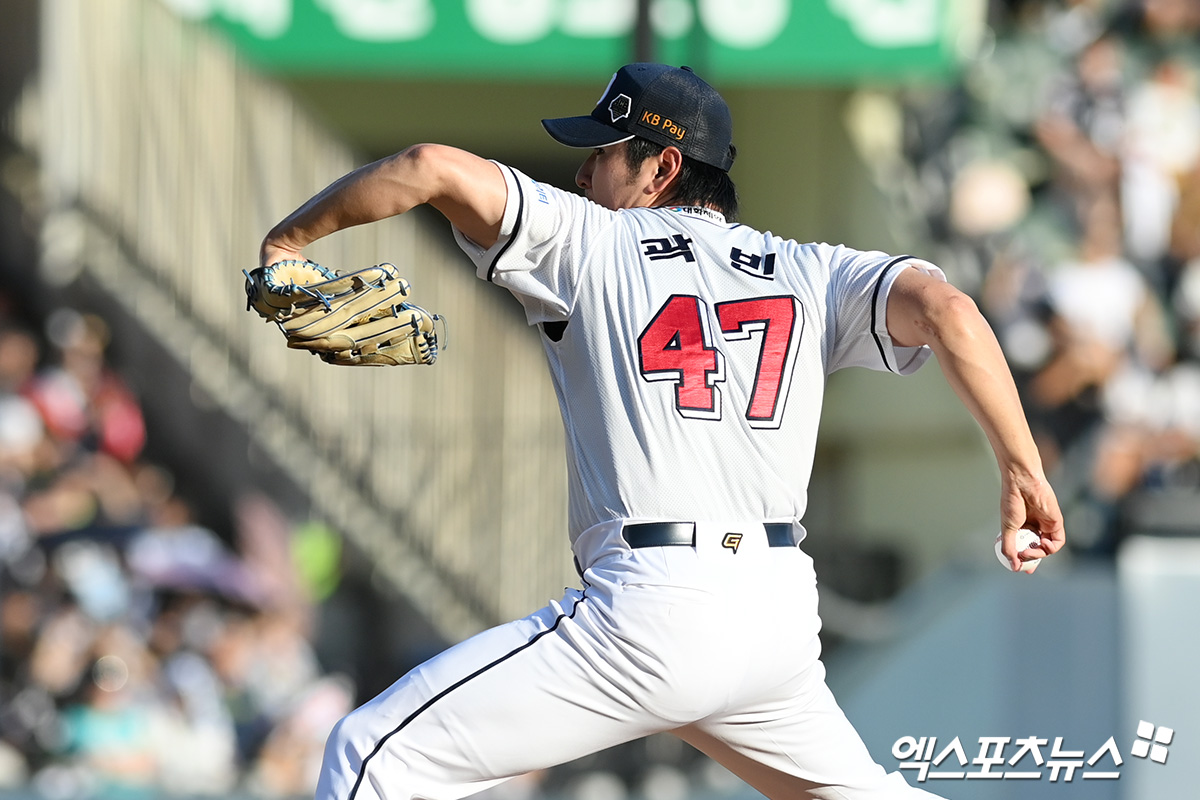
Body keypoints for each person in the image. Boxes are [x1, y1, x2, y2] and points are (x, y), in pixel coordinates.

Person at [258, 63, 1065, 800]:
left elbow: (428, 166)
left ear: (662, 167)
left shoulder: (588, 239)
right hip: (777, 618)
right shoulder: (813, 269)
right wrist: (1022, 468)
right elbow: (949, 310)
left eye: (604, 151)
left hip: (656, 606)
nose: (581, 171)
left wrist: (288, 241)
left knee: (372, 756)